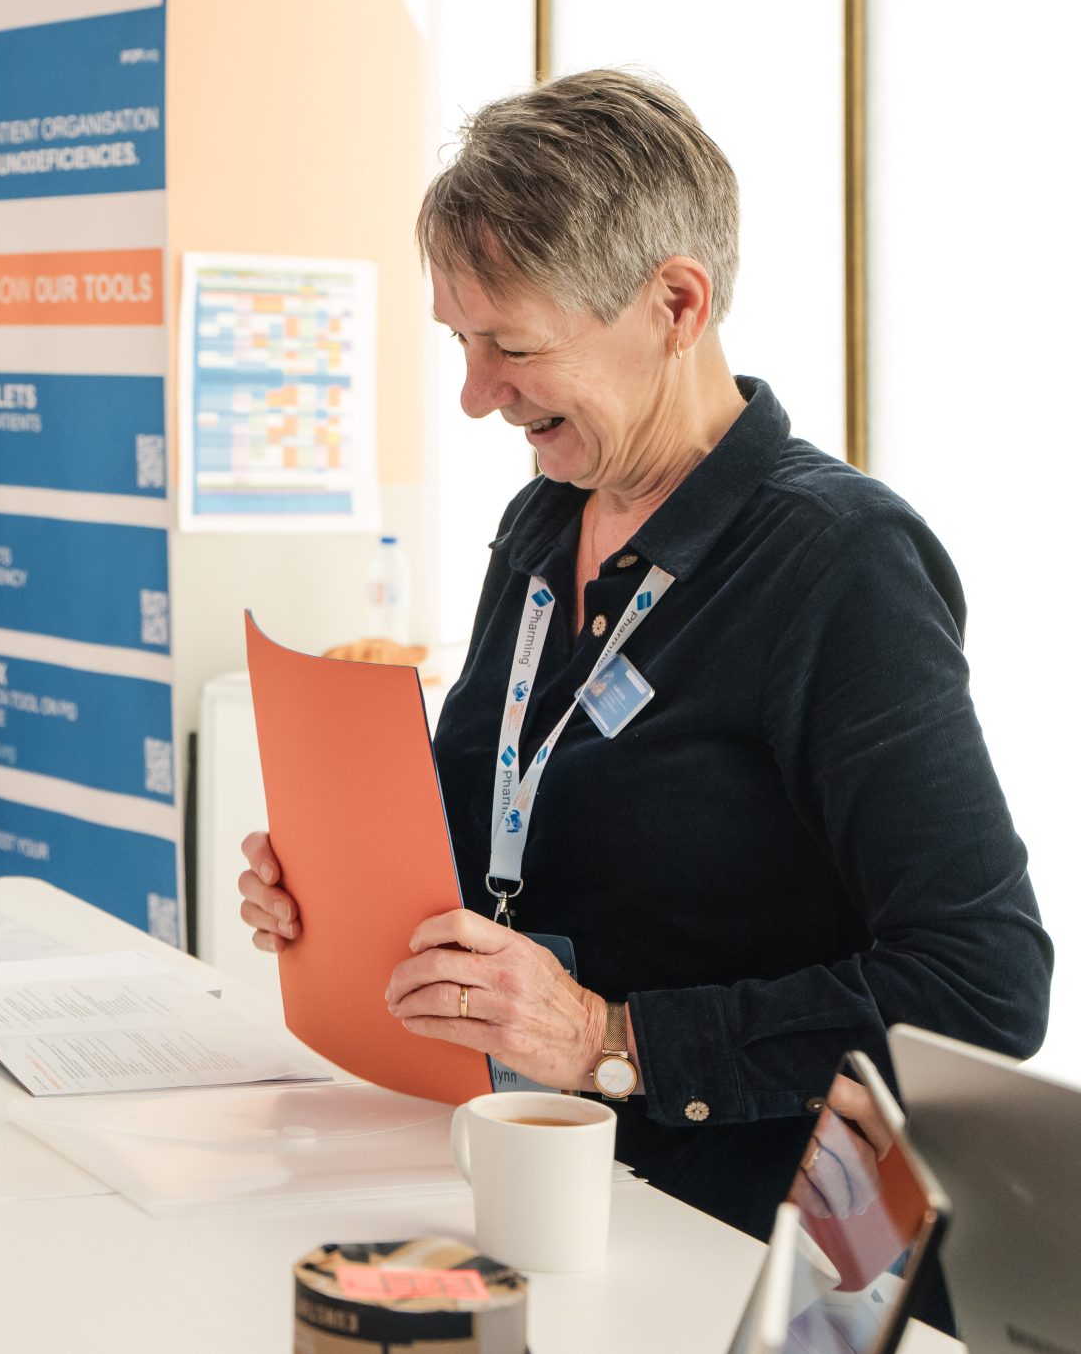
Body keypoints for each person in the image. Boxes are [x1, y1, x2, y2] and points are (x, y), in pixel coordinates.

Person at [235, 71, 1050, 1245]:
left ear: (674, 304)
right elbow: (503, 827)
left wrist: (607, 1039)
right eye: (460, 343)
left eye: (510, 345)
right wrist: (336, 889)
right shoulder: (542, 522)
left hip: (751, 1239)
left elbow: (981, 990)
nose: (474, 398)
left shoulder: (837, 565)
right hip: (524, 1186)